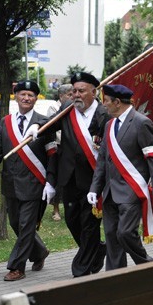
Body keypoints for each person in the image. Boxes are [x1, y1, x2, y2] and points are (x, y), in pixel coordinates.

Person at [88, 84, 153, 270]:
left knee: (125, 233)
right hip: (109, 192)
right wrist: (94, 189)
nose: (104, 105)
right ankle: (115, 277)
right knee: (111, 236)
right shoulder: (109, 124)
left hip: (131, 191)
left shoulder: (141, 122)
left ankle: (148, 267)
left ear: (117, 102)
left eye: (106, 101)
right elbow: (102, 161)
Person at [0, 80, 56, 281]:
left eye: (31, 95)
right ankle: (39, 251)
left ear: (36, 99)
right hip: (10, 184)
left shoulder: (45, 122)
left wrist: (50, 181)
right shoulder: (6, 121)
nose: (26, 98)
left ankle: (17, 267)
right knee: (16, 223)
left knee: (26, 225)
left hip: (34, 184)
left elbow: (52, 155)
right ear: (16, 96)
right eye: (23, 94)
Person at [42, 73, 109, 277]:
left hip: (93, 178)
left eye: (81, 91)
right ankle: (97, 251)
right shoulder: (67, 109)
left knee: (89, 223)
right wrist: (36, 127)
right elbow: (49, 125)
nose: (76, 95)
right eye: (74, 91)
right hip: (69, 177)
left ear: (94, 92)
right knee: (72, 220)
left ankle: (81, 267)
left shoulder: (104, 113)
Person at [45, 84, 74, 222]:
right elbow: (52, 128)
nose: (72, 97)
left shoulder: (74, 108)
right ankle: (55, 209)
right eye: (69, 94)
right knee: (57, 179)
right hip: (58, 147)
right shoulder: (54, 108)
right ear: (61, 96)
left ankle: (70, 207)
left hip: (71, 149)